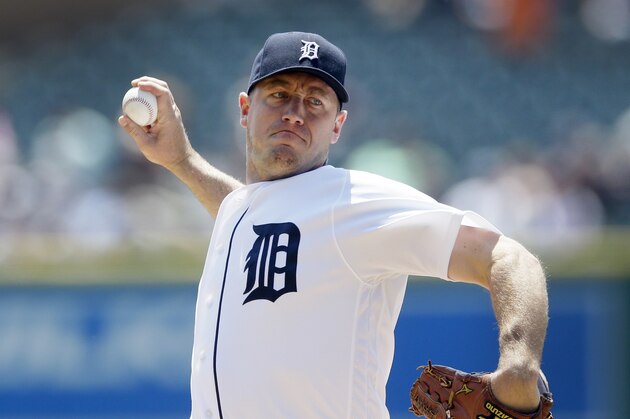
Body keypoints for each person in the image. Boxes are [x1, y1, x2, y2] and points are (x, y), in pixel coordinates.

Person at [118, 32, 549, 419]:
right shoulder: (248, 210)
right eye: (280, 94)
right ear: (246, 109)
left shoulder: (352, 202)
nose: (295, 113)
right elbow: (254, 215)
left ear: (337, 125)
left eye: (315, 102)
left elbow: (507, 256)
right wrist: (182, 161)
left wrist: (519, 364)